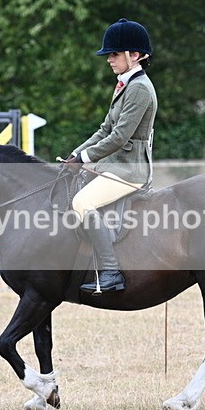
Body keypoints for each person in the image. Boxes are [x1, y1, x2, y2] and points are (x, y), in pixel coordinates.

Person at [62, 18, 158, 294]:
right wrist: (76, 154)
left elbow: (119, 138)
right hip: (116, 165)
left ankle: (110, 271)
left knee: (83, 203)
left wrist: (86, 158)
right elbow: (105, 129)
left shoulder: (140, 88)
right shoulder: (125, 84)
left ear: (134, 55)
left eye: (114, 54)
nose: (109, 60)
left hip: (131, 169)